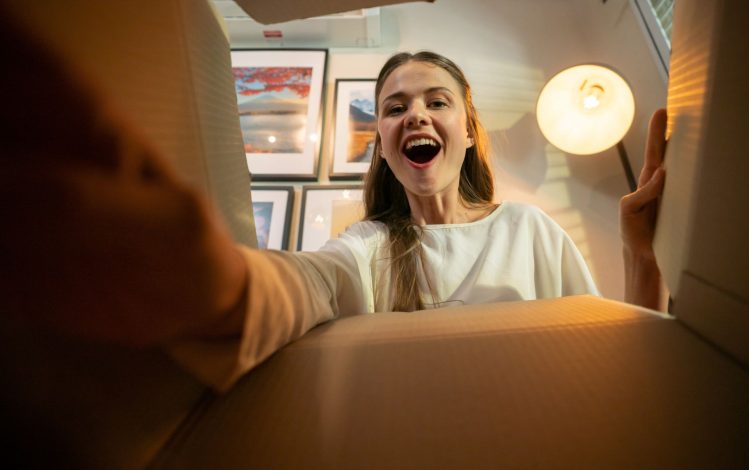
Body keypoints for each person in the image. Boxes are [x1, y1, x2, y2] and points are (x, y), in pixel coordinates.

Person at [1, 20, 666, 392]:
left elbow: (619, 366)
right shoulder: (369, 246)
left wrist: (641, 253)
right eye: (395, 107)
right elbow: (313, 280)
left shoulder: (531, 230)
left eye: (436, 100)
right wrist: (228, 285)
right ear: (381, 142)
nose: (415, 115)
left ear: (468, 127)